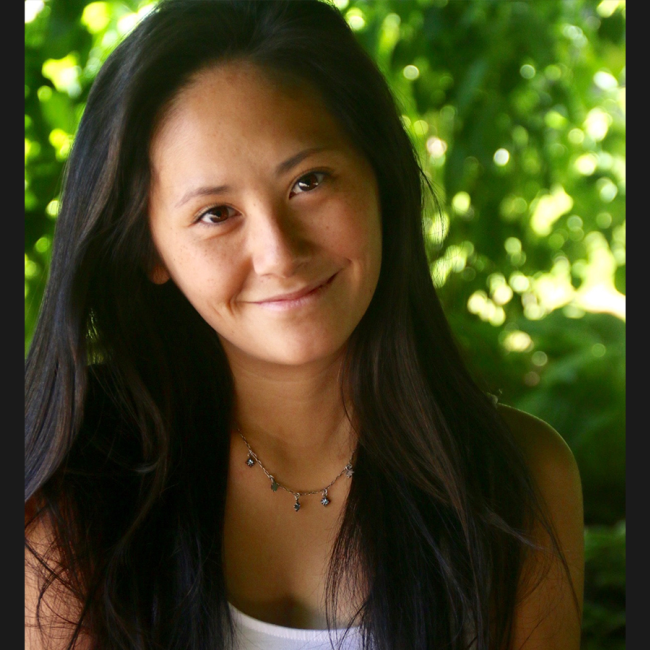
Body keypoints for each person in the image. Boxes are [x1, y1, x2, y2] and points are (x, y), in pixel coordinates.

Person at [24, 1, 584, 648]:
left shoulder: (520, 478)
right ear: (149, 250)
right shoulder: (69, 489)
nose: (279, 256)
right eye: (215, 214)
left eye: (309, 181)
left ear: (380, 176)